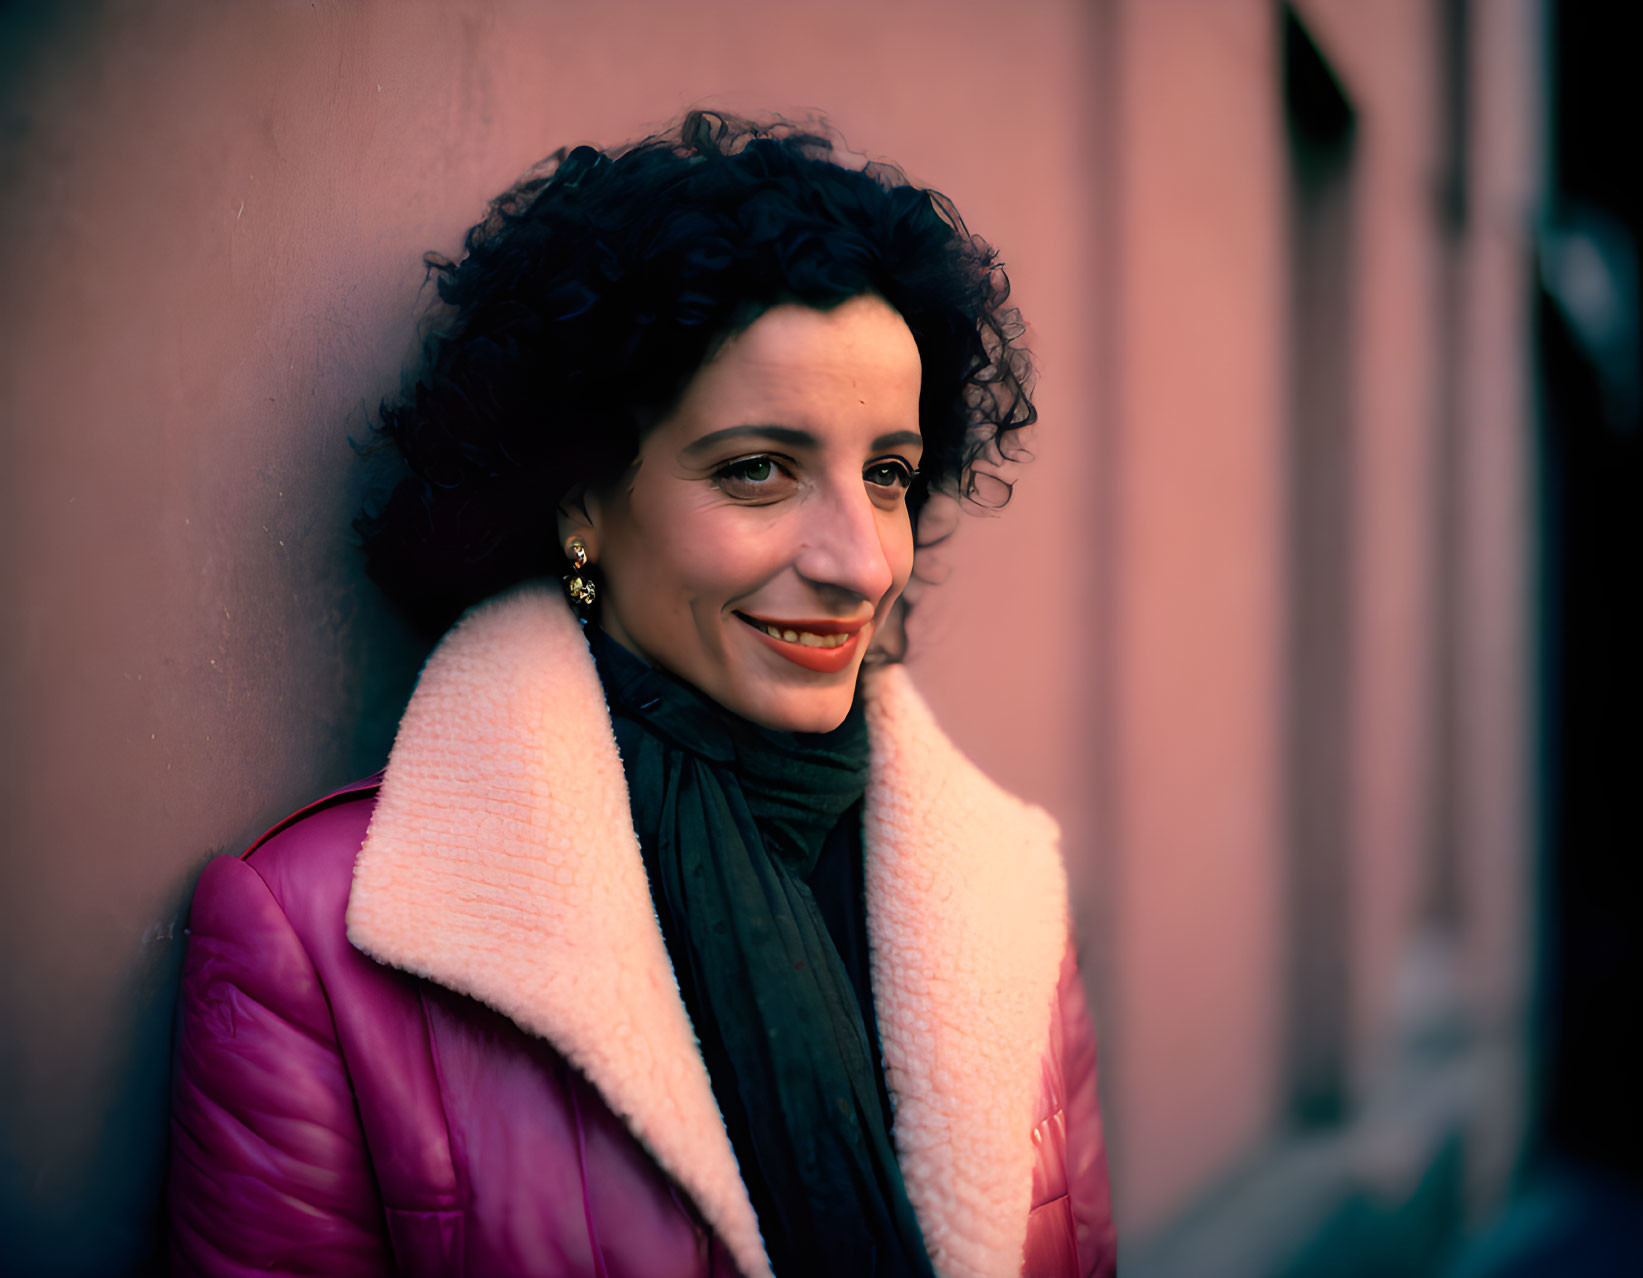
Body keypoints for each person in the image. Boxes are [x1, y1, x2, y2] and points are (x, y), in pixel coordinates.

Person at [166, 110, 1115, 1278]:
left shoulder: (1004, 895)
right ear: (579, 502)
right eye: (757, 470)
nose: (861, 561)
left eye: (886, 476)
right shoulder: (316, 939)